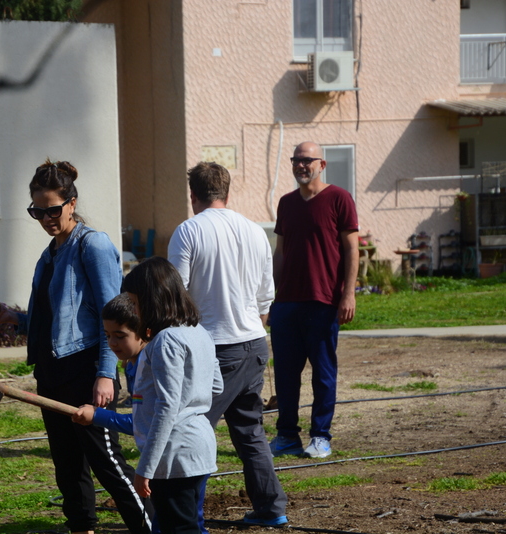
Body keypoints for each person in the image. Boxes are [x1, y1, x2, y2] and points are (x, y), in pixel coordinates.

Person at [0, 160, 152, 534]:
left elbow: (114, 314)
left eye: (53, 209)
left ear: (71, 203)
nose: (46, 218)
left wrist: (105, 374)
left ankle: (152, 526)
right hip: (52, 371)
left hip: (85, 370)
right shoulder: (51, 253)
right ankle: (82, 528)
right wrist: (14, 318)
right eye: (37, 211)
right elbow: (58, 317)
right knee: (67, 463)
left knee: (105, 460)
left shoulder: (92, 245)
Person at [167, 161, 289, 527]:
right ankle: (271, 507)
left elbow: (175, 294)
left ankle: (185, 515)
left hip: (216, 348)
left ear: (193, 195)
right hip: (253, 342)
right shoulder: (254, 231)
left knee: (190, 430)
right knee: (250, 430)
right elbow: (266, 297)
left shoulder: (188, 232)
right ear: (227, 192)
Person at [72, 293, 212, 533]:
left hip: (176, 458)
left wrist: (98, 416)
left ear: (145, 332)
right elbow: (144, 422)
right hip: (184, 455)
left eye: (120, 335)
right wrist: (96, 416)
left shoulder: (150, 363)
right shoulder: (135, 364)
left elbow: (151, 419)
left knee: (182, 526)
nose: (112, 343)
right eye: (107, 336)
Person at [111, 257, 220, 534]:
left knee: (179, 529)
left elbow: (167, 406)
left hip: (175, 455)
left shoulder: (165, 341)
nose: (134, 310)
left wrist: (145, 468)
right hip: (199, 447)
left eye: (135, 303)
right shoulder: (199, 331)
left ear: (151, 301)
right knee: (184, 525)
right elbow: (215, 385)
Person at [269, 141, 359, 459]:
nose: (301, 166)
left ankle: (320, 436)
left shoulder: (339, 199)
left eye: (307, 160)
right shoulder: (286, 203)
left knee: (322, 373)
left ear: (322, 164)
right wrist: (271, 299)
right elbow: (280, 253)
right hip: (287, 303)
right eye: (296, 160)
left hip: (323, 302)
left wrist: (348, 293)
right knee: (285, 374)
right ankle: (287, 436)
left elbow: (351, 249)